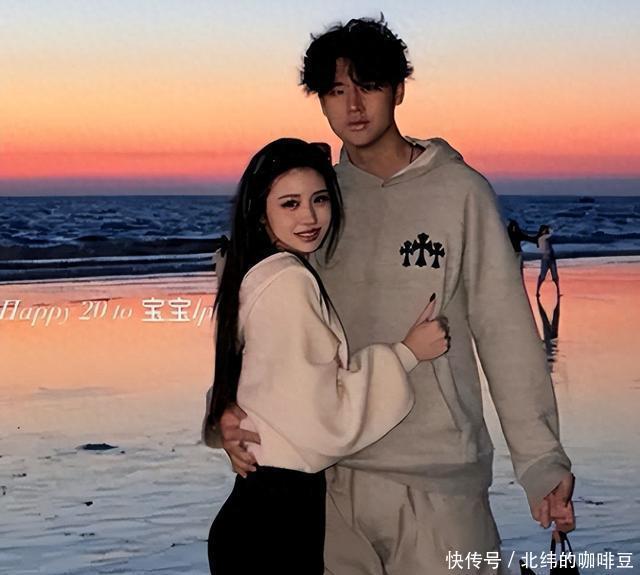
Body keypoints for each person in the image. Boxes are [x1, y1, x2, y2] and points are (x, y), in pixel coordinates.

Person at [213, 18, 575, 574]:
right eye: (337, 91)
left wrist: (542, 462)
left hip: (439, 481)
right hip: (330, 486)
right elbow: (264, 328)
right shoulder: (317, 205)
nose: (354, 106)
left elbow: (506, 334)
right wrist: (229, 414)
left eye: (370, 85)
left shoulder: (460, 193)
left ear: (399, 89)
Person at [203, 138, 450, 574]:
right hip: (275, 526)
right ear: (260, 213)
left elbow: (256, 380)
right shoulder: (288, 282)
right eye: (290, 204)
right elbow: (322, 420)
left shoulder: (258, 273)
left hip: (260, 515)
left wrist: (223, 416)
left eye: (319, 199)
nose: (310, 217)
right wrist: (406, 354)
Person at [536, 224, 560, 297]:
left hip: (550, 258)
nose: (546, 231)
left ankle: (558, 291)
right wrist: (550, 229)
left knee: (554, 276)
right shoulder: (542, 238)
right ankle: (537, 291)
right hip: (546, 259)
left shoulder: (543, 238)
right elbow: (551, 234)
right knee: (543, 276)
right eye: (545, 230)